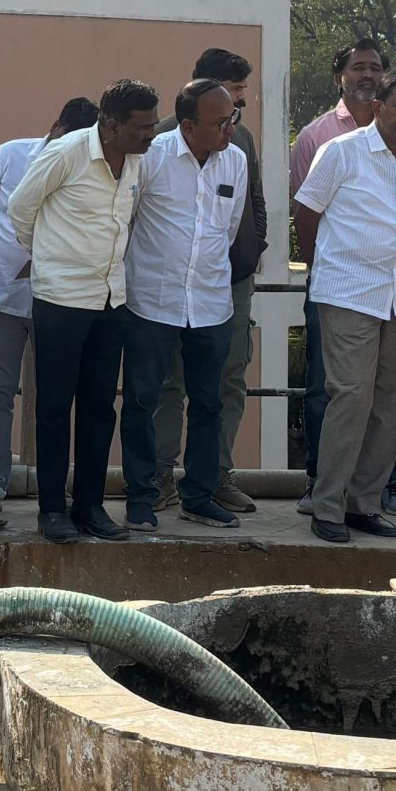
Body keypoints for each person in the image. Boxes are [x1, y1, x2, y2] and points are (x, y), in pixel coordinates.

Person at [10, 80, 159, 544]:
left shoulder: (136, 159)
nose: (151, 135)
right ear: (111, 126)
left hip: (111, 299)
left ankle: (89, 506)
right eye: (142, 127)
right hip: (61, 299)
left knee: (99, 407)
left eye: (153, 125)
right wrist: (50, 258)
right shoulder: (66, 153)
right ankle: (52, 510)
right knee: (55, 407)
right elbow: (20, 209)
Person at [292, 70, 396, 543]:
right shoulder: (341, 151)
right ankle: (327, 506)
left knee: (390, 402)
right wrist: (321, 271)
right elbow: (306, 214)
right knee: (351, 397)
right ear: (378, 106)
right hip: (348, 293)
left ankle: (363, 504)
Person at [123, 79, 250, 532]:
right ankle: (141, 497)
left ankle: (198, 495)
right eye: (220, 122)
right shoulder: (152, 157)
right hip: (151, 303)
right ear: (188, 126)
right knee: (142, 401)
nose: (230, 129)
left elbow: (229, 230)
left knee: (209, 404)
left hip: (211, 304)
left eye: (232, 118)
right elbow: (126, 220)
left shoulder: (235, 161)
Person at [147, 48, 265, 516]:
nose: (239, 104)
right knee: (167, 383)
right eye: (231, 91)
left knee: (225, 381)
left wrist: (252, 252)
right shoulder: (158, 141)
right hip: (167, 287)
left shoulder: (240, 142)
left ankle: (215, 476)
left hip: (226, 282)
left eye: (239, 94)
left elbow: (250, 205)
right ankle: (159, 476)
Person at [0, 97, 96, 514]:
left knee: (57, 399)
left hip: (61, 303)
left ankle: (53, 490)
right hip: (4, 298)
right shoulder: (12, 154)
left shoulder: (89, 166)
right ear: (55, 125)